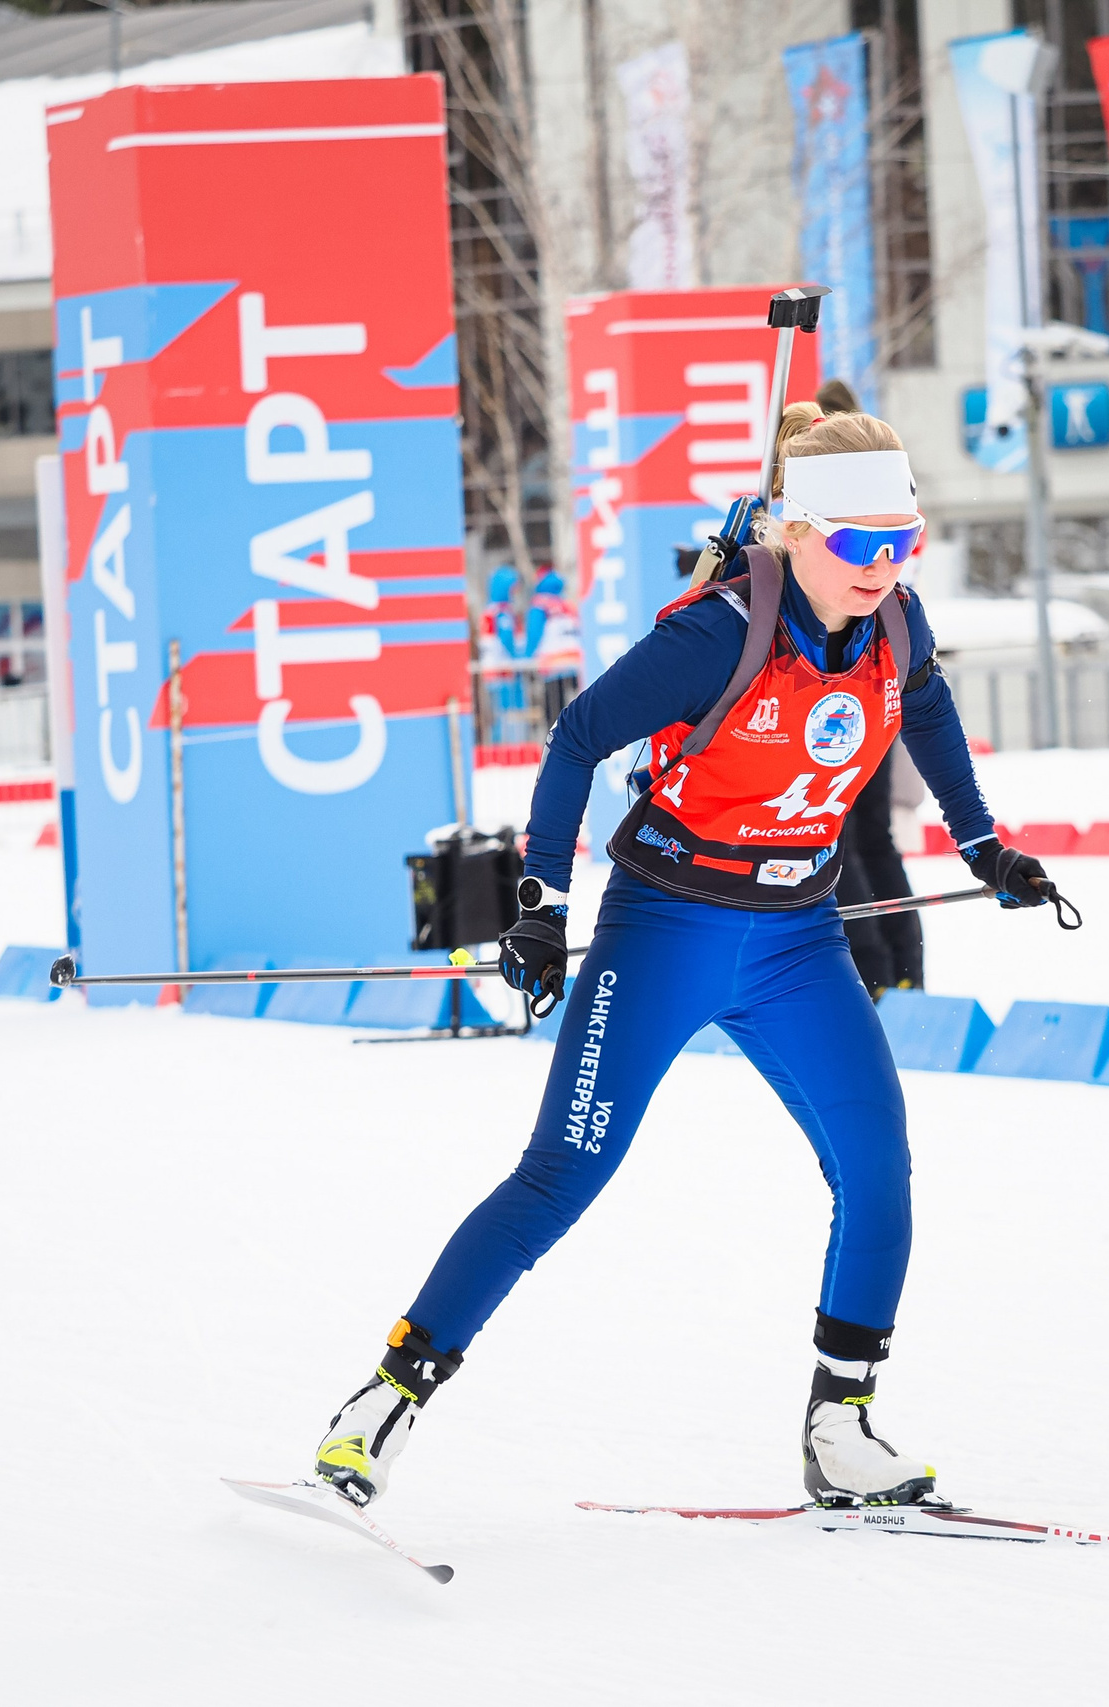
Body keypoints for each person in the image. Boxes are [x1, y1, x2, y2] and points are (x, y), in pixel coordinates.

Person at [311, 405, 1066, 1512]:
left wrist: (983, 845)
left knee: (876, 1167)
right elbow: (577, 737)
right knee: (563, 1175)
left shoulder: (894, 626)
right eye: (858, 545)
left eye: (899, 540)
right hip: (664, 929)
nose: (882, 566)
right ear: (793, 532)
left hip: (799, 940)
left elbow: (931, 710)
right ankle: (380, 1406)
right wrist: (539, 901)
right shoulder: (717, 633)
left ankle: (840, 1427)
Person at [807, 377, 924, 996]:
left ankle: (877, 972)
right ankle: (905, 969)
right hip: (879, 687)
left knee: (839, 836)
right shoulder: (889, 492)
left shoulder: (838, 499)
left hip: (839, 692)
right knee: (870, 833)